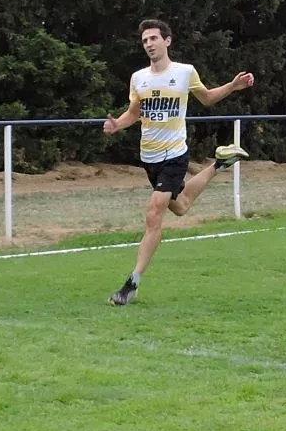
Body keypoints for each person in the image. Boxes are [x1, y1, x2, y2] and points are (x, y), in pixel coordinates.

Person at [103, 19, 254, 306]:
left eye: (153, 38)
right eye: (145, 40)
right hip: (149, 157)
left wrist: (232, 87)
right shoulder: (138, 78)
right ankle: (219, 164)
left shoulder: (185, 72)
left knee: (153, 212)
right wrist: (117, 125)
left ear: (167, 41)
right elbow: (133, 113)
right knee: (181, 206)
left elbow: (207, 99)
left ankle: (131, 285)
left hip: (174, 154)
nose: (148, 44)